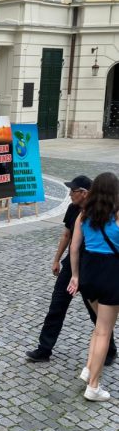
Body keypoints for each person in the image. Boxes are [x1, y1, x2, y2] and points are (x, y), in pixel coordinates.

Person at [26, 175, 117, 364]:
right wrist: (56, 259)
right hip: (71, 266)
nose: (70, 195)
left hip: (91, 269)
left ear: (84, 193)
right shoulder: (73, 209)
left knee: (97, 313)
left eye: (73, 191)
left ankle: (109, 350)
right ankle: (44, 349)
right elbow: (67, 235)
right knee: (57, 305)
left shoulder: (100, 210)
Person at [67, 172, 119, 401]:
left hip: (88, 274)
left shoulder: (83, 215)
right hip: (111, 274)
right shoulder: (117, 216)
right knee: (104, 331)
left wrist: (75, 276)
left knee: (99, 327)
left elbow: (74, 248)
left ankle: (89, 368)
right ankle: (94, 386)